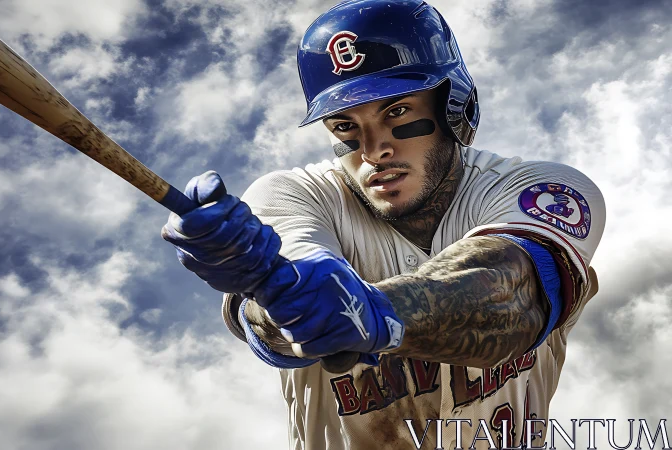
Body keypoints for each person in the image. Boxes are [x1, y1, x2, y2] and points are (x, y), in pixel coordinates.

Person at [162, 0, 605, 448]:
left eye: (396, 112)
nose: (373, 150)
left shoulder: (539, 188)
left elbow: (511, 294)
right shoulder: (295, 196)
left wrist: (377, 313)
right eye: (344, 125)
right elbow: (272, 310)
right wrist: (270, 296)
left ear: (454, 105)